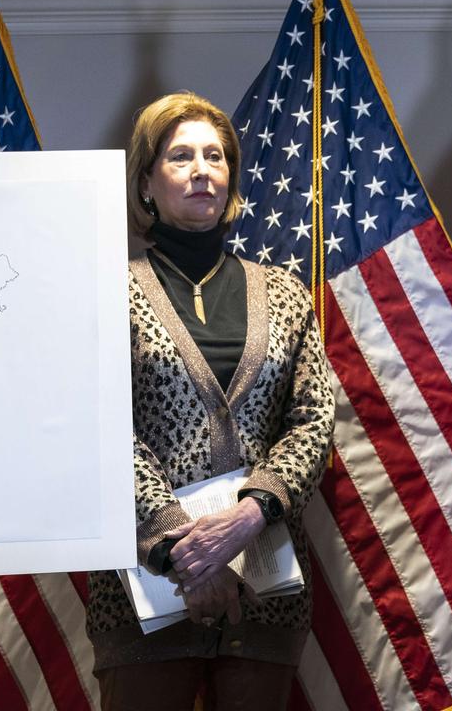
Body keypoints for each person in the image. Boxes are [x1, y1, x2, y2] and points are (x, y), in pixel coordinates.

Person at [86, 91, 335, 711]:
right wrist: (183, 550)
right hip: (143, 589)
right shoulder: (103, 293)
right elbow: (100, 428)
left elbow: (314, 417)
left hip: (267, 583)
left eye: (215, 156)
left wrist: (249, 517)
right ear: (146, 182)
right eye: (180, 156)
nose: (202, 169)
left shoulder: (284, 292)